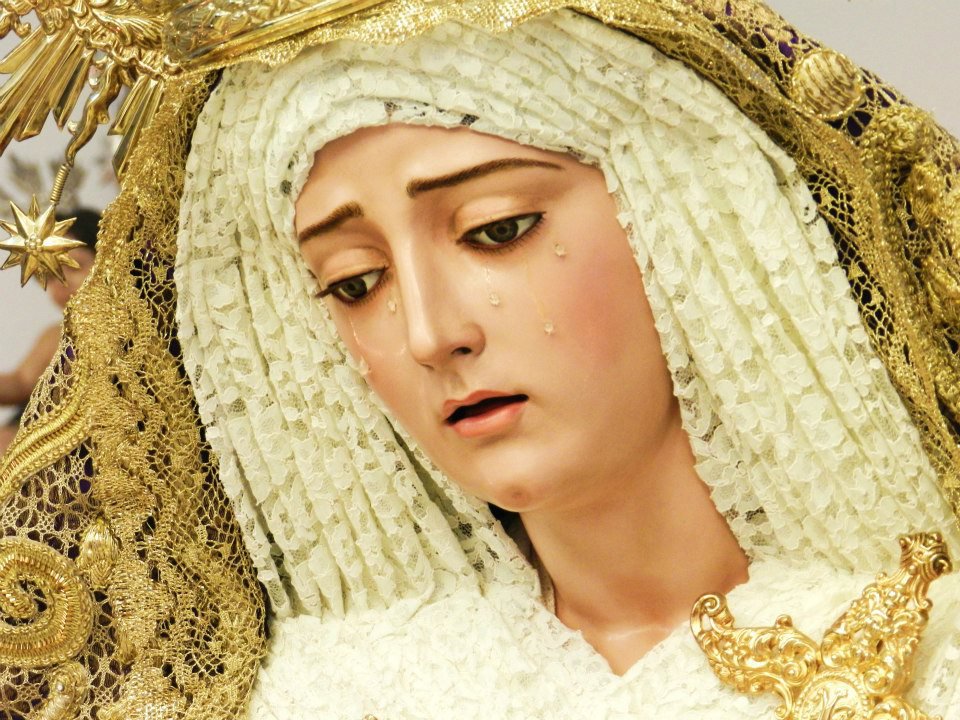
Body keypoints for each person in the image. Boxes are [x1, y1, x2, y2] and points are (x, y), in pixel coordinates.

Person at [170, 9, 960, 718]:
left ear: (678, 214)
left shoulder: (930, 644)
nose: (430, 334)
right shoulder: (324, 697)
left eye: (497, 230)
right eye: (356, 282)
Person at [0, 208, 98, 452]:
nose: (63, 285)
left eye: (74, 267)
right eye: (51, 278)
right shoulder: (59, 334)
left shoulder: (145, 324)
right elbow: (21, 381)